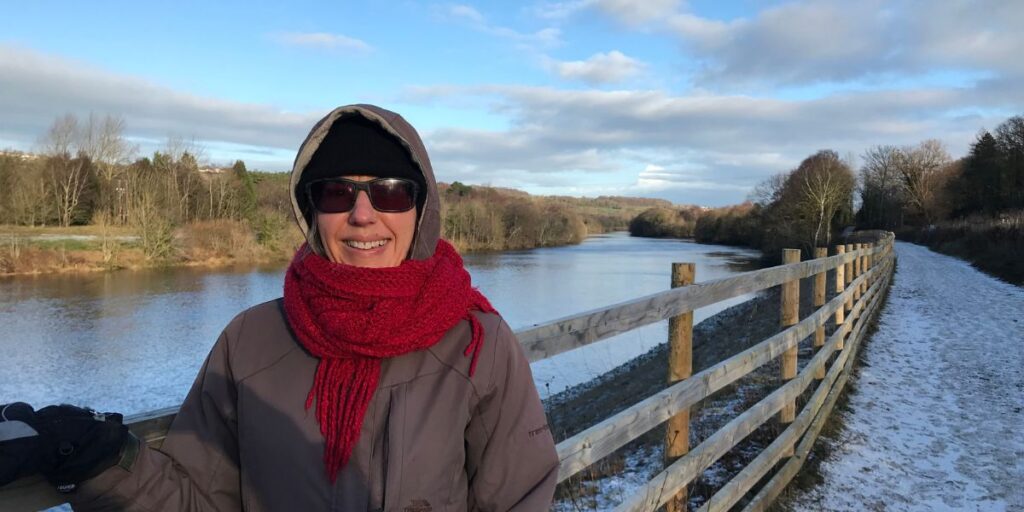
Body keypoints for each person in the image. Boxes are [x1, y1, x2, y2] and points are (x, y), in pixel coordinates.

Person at [0, 104, 560, 511]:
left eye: (390, 191)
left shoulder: (476, 343)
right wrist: (103, 463)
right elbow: (199, 501)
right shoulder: (252, 341)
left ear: (422, 210)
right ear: (311, 211)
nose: (363, 215)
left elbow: (520, 500)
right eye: (337, 193)